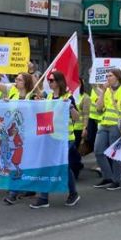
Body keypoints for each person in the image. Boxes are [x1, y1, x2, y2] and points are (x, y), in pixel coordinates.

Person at [31, 71, 81, 208]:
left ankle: (73, 193)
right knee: (48, 165)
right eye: (49, 80)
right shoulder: (49, 97)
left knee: (63, 167)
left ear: (59, 82)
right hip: (51, 138)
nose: (50, 82)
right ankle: (44, 198)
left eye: (52, 80)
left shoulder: (68, 97)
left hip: (66, 139)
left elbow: (77, 117)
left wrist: (70, 107)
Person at [0, 72, 40, 204]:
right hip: (14, 135)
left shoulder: (32, 96)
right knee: (15, 162)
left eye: (19, 80)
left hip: (29, 135)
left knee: (24, 162)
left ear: (26, 82)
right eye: (16, 79)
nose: (16, 81)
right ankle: (17, 190)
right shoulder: (12, 92)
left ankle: (15, 192)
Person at [93, 69, 121, 190]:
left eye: (110, 76)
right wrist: (103, 92)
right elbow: (99, 108)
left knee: (115, 154)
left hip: (116, 126)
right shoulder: (106, 90)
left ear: (117, 77)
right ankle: (108, 177)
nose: (107, 78)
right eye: (107, 76)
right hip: (104, 124)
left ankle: (116, 180)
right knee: (98, 151)